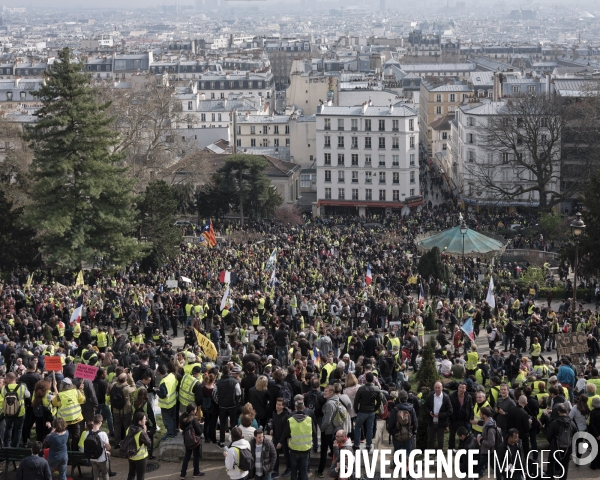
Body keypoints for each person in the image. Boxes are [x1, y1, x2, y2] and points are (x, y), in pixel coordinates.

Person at [281, 395, 314, 480]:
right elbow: (314, 432)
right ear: (303, 407)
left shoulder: (290, 420)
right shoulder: (309, 419)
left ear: (295, 407)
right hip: (305, 449)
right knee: (304, 471)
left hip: (294, 449)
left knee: (294, 471)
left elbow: (286, 434)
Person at [545, 403, 577, 480]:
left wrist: (553, 442)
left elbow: (548, 436)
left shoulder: (554, 423)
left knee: (551, 464)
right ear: (567, 412)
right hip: (567, 448)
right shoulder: (572, 423)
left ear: (558, 412)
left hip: (555, 447)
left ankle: (550, 477)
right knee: (565, 465)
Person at [214, 364, 242, 448]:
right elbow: (239, 393)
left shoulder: (218, 383)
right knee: (233, 424)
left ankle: (222, 441)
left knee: (222, 424)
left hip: (222, 407)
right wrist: (236, 402)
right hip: (232, 406)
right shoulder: (235, 382)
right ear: (229, 372)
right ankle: (234, 440)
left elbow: (214, 394)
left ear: (222, 372)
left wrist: (218, 402)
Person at [352, 372, 380, 451]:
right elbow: (379, 402)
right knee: (370, 428)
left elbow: (356, 401)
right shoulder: (376, 389)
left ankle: (356, 444)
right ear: (373, 379)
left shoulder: (361, 389)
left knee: (358, 427)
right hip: (371, 411)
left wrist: (356, 410)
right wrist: (375, 409)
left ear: (365, 379)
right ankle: (368, 445)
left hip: (362, 411)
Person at [0, 371, 29, 447]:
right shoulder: (22, 387)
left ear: (8, 379)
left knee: (8, 428)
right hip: (20, 412)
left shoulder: (4, 388)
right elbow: (28, 396)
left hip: (8, 411)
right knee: (18, 430)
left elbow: (2, 397)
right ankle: (15, 446)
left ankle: (6, 446)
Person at [79, 414, 111, 480]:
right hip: (101, 458)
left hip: (92, 458)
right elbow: (108, 448)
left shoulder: (87, 433)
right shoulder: (102, 434)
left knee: (96, 475)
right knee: (105, 474)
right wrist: (106, 447)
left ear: (93, 421)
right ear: (100, 423)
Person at [424, 381, 453, 450]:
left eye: (438, 388)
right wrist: (429, 412)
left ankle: (439, 456)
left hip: (441, 423)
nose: (437, 389)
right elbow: (425, 406)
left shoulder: (446, 398)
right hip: (432, 422)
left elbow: (450, 411)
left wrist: (440, 415)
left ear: (442, 388)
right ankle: (429, 454)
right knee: (430, 440)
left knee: (440, 441)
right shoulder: (431, 395)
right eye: (435, 388)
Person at [124, 411, 153, 480]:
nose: (146, 420)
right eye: (144, 419)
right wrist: (145, 431)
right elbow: (148, 443)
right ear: (139, 422)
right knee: (140, 476)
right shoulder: (141, 432)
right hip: (141, 458)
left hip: (131, 455)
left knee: (131, 473)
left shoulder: (129, 429)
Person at [179, 404, 205, 479]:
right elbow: (199, 432)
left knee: (187, 456)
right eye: (195, 410)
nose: (196, 411)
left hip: (187, 440)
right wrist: (202, 425)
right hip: (194, 441)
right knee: (196, 456)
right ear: (192, 411)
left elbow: (183, 427)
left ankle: (182, 474)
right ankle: (196, 472)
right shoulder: (193, 419)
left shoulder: (183, 417)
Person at [111, 372, 137, 447]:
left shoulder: (113, 385)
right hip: (126, 411)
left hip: (115, 410)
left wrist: (119, 375)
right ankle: (127, 443)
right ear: (126, 380)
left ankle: (117, 443)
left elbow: (114, 380)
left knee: (117, 427)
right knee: (127, 427)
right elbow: (134, 387)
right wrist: (131, 378)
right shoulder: (126, 388)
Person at [157, 362, 179, 440]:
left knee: (167, 420)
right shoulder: (172, 375)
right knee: (173, 418)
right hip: (173, 402)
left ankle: (170, 433)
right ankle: (174, 432)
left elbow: (163, 395)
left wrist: (156, 391)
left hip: (166, 405)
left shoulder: (163, 382)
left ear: (159, 372)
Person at [448, 382, 473, 450]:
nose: (461, 389)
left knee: (463, 435)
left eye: (463, 388)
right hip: (453, 420)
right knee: (452, 435)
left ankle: (461, 448)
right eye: (460, 387)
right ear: (458, 387)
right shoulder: (451, 396)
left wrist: (470, 417)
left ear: (465, 389)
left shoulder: (469, 397)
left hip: (464, 420)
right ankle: (451, 449)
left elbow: (470, 408)